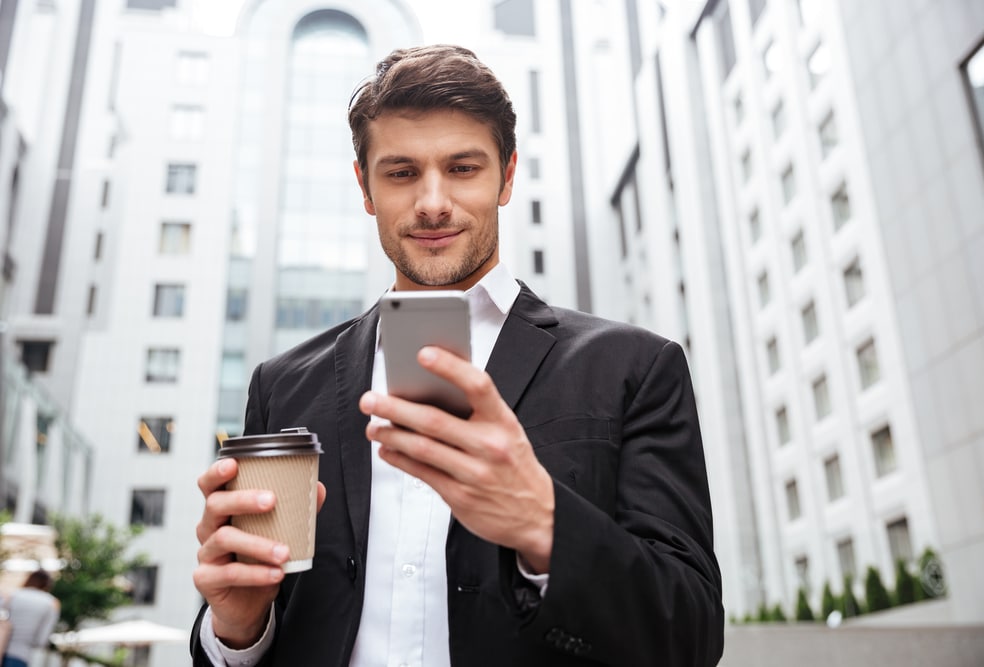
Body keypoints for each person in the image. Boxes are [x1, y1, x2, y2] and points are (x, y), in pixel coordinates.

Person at [191, 44, 723, 666]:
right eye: (401, 173)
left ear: (508, 174)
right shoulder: (283, 386)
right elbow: (242, 632)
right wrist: (235, 628)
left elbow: (690, 635)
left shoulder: (633, 368)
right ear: (365, 187)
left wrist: (544, 524)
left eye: (463, 168)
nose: (432, 202)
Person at [2, 569, 60, 667]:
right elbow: (41, 640)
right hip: (20, 656)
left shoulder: (12, 595)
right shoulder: (51, 603)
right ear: (46, 584)